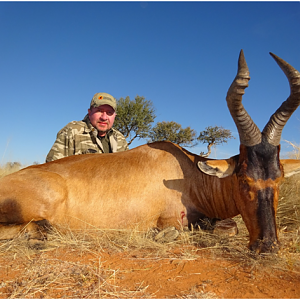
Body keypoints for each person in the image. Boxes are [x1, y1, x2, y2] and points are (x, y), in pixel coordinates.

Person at [46, 92, 129, 162]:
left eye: (109, 112)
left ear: (115, 116)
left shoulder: (120, 139)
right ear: (89, 112)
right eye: (99, 111)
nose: (104, 117)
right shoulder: (72, 131)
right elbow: (52, 169)